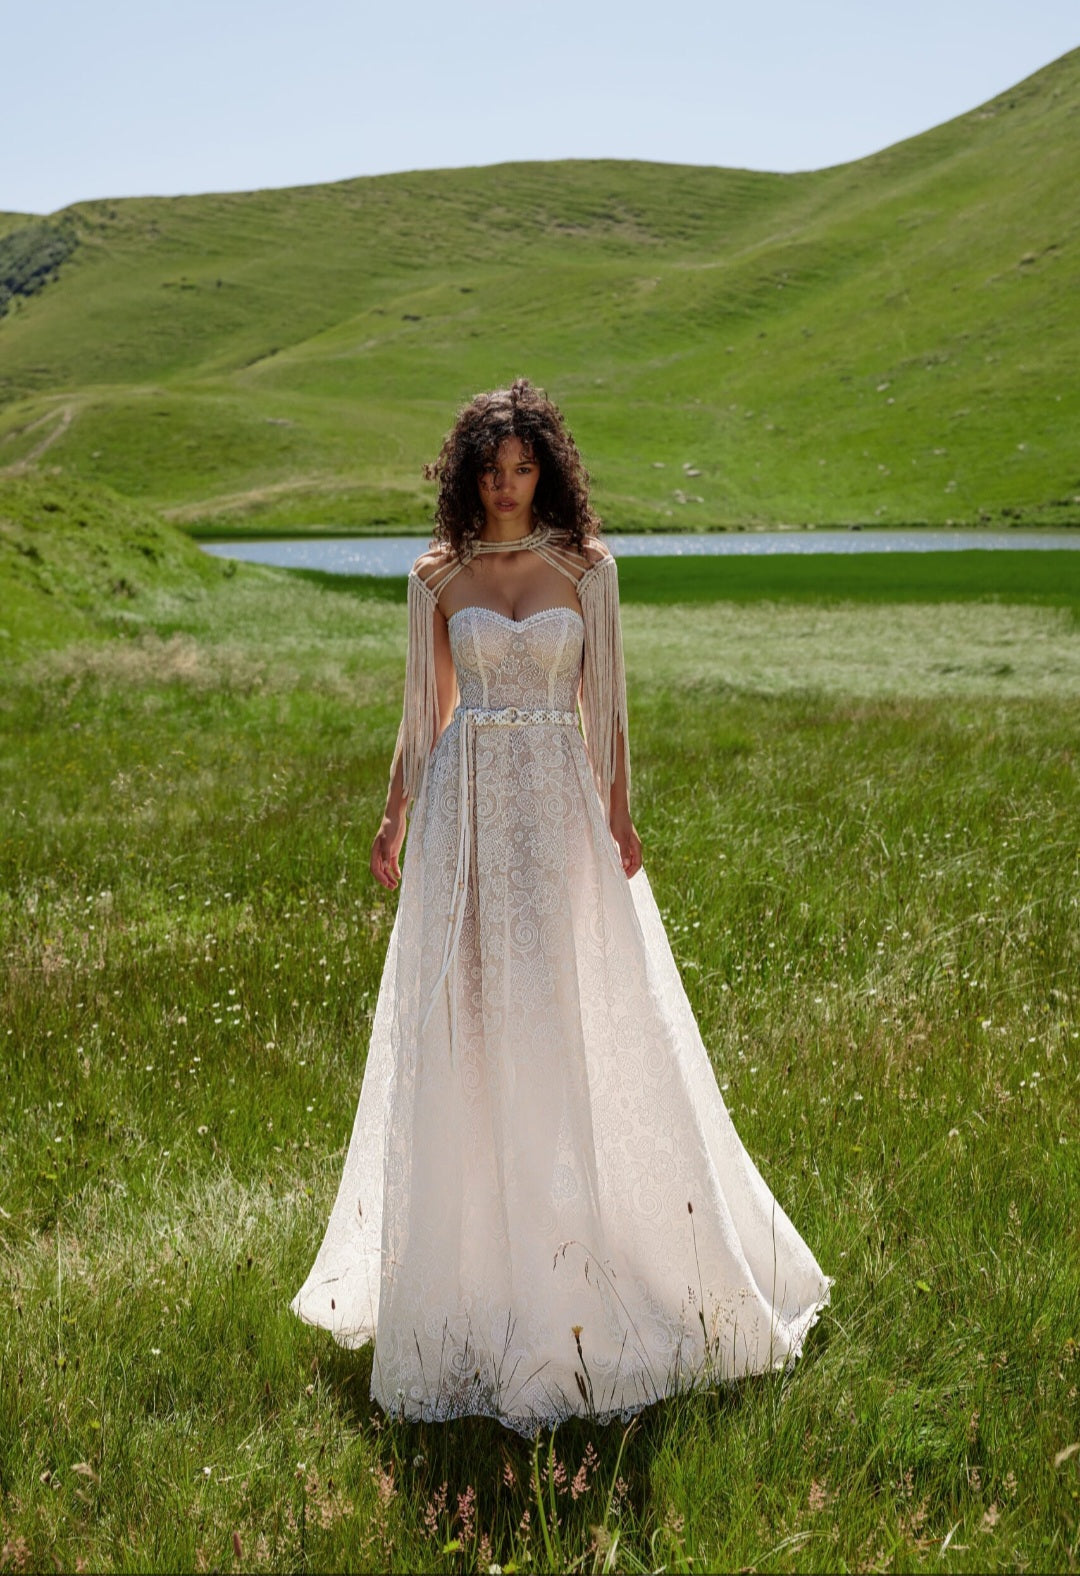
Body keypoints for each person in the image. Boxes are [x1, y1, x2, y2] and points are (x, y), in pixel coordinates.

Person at [290, 379, 830, 1434]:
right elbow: (422, 714)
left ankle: (595, 1263)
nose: (505, 484)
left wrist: (623, 815)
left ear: (546, 468)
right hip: (465, 815)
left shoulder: (589, 568)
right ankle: (477, 1276)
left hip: (560, 814)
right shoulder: (436, 577)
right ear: (467, 477)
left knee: (572, 1021)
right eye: (490, 469)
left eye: (523, 466)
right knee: (475, 1035)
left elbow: (608, 709)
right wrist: (392, 815)